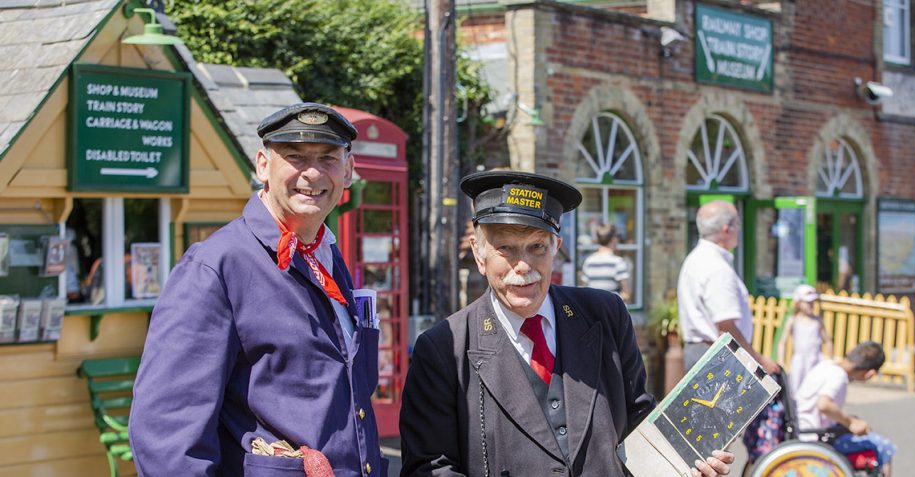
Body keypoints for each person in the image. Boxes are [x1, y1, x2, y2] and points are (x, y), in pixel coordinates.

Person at [400, 170, 734, 477]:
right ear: (479, 253)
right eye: (505, 249)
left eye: (537, 247)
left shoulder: (606, 315)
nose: (523, 266)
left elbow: (638, 419)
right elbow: (430, 468)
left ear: (556, 247)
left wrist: (688, 461)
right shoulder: (444, 349)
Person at [129, 103, 388, 476]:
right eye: (296, 156)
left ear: (347, 171)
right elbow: (166, 434)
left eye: (328, 158)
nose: (313, 172)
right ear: (263, 165)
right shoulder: (216, 265)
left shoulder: (327, 254)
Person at [677, 200, 779, 375]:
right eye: (737, 224)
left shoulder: (696, 258)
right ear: (726, 229)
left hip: (703, 352)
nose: (739, 230)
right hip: (717, 357)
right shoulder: (716, 267)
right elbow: (726, 327)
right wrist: (758, 361)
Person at [794, 341, 897, 477]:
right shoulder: (838, 376)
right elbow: (823, 404)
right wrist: (851, 423)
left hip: (802, 429)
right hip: (815, 438)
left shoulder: (826, 365)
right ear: (869, 374)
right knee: (882, 447)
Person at [776, 284, 833, 392]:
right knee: (796, 388)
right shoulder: (793, 320)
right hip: (799, 361)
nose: (811, 305)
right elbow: (782, 343)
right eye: (808, 303)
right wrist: (781, 361)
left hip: (816, 359)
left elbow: (828, 341)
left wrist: (830, 359)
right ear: (799, 303)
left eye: (813, 303)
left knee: (816, 388)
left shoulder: (817, 320)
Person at [580, 222, 631, 302]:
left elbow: (583, 290)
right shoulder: (618, 262)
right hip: (612, 311)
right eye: (617, 236)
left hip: (593, 311)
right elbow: (626, 295)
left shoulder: (589, 262)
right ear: (613, 239)